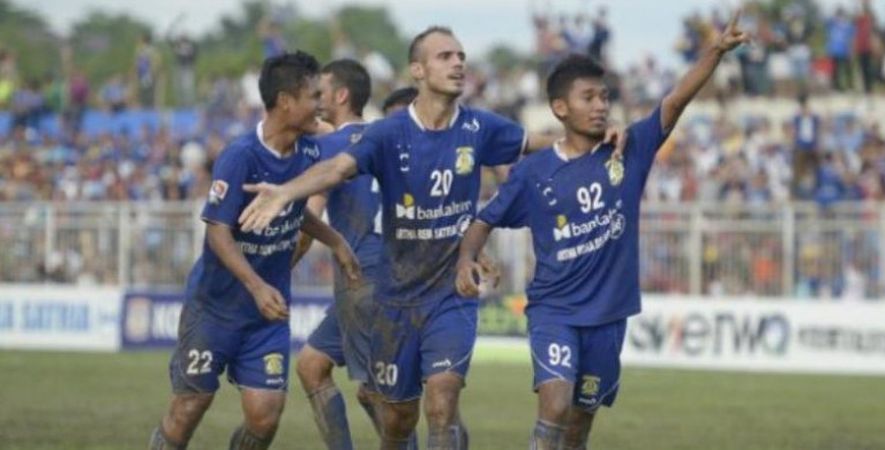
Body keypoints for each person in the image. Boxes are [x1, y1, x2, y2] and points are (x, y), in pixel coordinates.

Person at [237, 27, 623, 450]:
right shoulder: (387, 134)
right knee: (399, 419)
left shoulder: (480, 126)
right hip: (395, 298)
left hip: (451, 293)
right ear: (417, 70)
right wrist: (287, 192)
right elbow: (337, 169)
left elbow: (543, 145)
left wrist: (597, 141)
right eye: (445, 56)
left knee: (442, 401)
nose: (458, 62)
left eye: (460, 55)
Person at [455, 13, 748, 450]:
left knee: (578, 426)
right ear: (560, 108)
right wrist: (467, 258)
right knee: (554, 404)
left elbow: (674, 102)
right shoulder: (533, 172)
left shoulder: (627, 150)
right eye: (588, 97)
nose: (600, 105)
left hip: (609, 317)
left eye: (604, 97)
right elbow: (484, 219)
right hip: (553, 311)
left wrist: (716, 52)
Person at [148, 51, 361, 450]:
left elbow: (296, 209)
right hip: (215, 308)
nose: (321, 103)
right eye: (314, 95)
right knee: (188, 408)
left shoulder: (310, 153)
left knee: (265, 416)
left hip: (267, 318)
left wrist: (335, 240)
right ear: (286, 101)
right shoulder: (240, 156)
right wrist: (256, 286)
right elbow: (218, 232)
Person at [293, 60, 417, 449]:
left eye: (321, 91)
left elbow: (307, 217)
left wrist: (280, 270)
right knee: (312, 365)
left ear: (341, 96)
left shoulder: (329, 147)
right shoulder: (385, 138)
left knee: (380, 392)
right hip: (391, 275)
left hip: (364, 278)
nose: (316, 98)